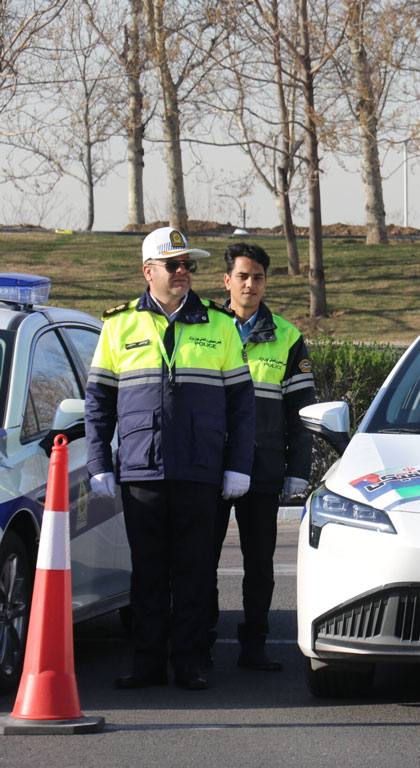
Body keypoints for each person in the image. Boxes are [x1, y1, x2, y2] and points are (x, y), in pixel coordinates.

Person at [85, 227, 255, 691]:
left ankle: (190, 661)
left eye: (189, 266)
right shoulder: (118, 325)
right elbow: (98, 403)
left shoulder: (219, 325)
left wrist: (238, 464)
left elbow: (242, 406)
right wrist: (99, 462)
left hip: (200, 469)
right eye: (173, 265)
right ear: (148, 271)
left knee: (195, 572)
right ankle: (147, 662)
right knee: (148, 574)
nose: (184, 273)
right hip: (142, 470)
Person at [209, 242, 315, 671]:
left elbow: (303, 412)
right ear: (227, 281)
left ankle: (254, 645)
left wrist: (298, 471)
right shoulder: (205, 326)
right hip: (210, 465)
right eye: (242, 276)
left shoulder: (288, 336)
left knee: (259, 564)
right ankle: (201, 642)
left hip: (262, 468)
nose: (250, 284)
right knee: (201, 560)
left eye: (257, 277)